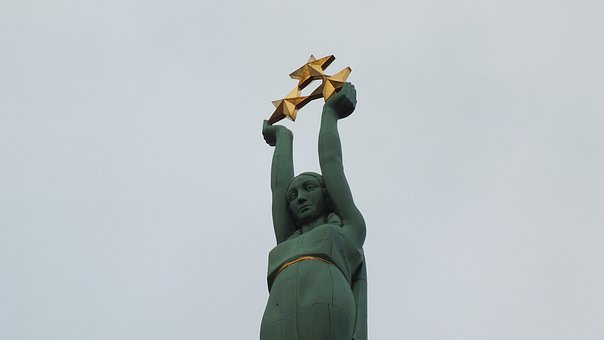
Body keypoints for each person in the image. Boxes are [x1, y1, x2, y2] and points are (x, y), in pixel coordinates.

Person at [260, 83, 367, 340]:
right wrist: (283, 139)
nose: (300, 199)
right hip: (278, 311)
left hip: (326, 302)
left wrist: (329, 114)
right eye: (294, 195)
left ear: (327, 194)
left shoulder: (348, 228)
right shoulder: (288, 239)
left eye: (309, 188)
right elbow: (278, 190)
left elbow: (332, 164)